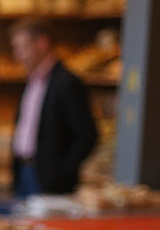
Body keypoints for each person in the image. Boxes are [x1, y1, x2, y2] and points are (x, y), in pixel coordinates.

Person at [9, 19, 98, 199]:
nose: (18, 55)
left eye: (23, 47)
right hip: (25, 171)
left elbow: (87, 135)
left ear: (42, 43)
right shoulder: (32, 81)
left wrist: (62, 171)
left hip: (50, 181)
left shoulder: (66, 83)